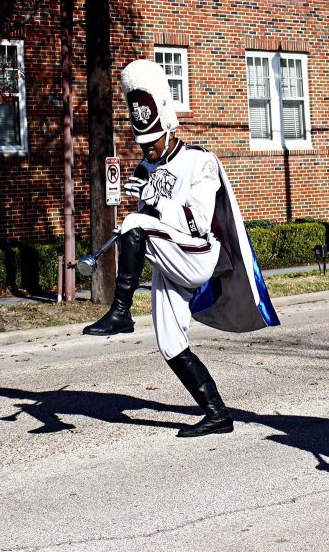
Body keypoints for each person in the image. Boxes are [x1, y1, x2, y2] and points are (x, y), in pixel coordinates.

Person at [83, 59, 279, 437]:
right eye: (141, 143)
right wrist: (140, 207)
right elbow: (144, 228)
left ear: (169, 128)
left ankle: (121, 311)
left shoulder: (199, 161)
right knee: (171, 343)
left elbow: (198, 223)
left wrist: (155, 200)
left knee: (136, 222)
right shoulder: (145, 168)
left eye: (152, 142)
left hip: (198, 253)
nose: (147, 150)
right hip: (169, 256)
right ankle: (218, 413)